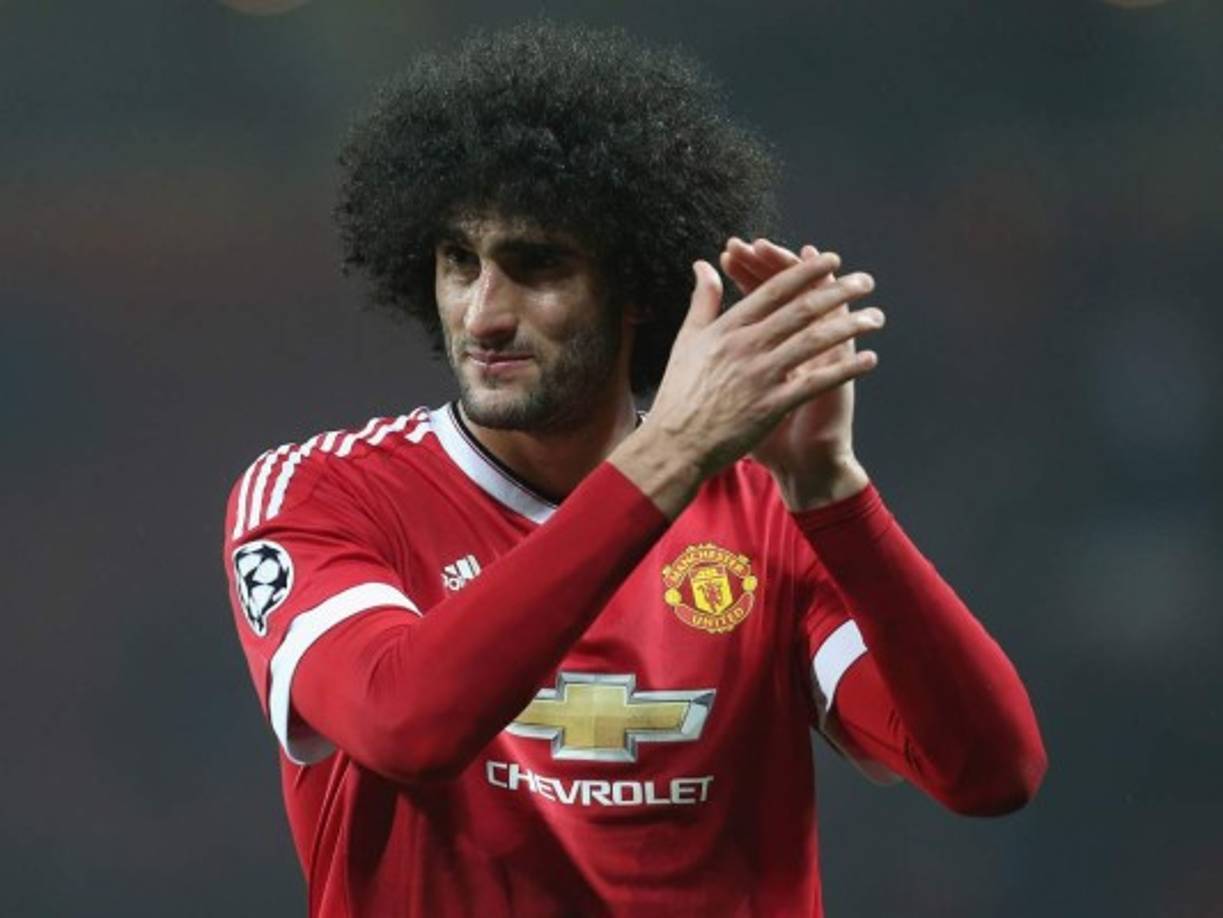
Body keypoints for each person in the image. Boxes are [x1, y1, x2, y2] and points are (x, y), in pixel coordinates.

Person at [222, 21, 1046, 918]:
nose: (484, 314)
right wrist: (673, 455)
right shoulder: (318, 492)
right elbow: (405, 723)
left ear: (641, 291)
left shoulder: (766, 514)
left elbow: (987, 771)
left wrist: (830, 492)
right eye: (461, 262)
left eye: (537, 267)